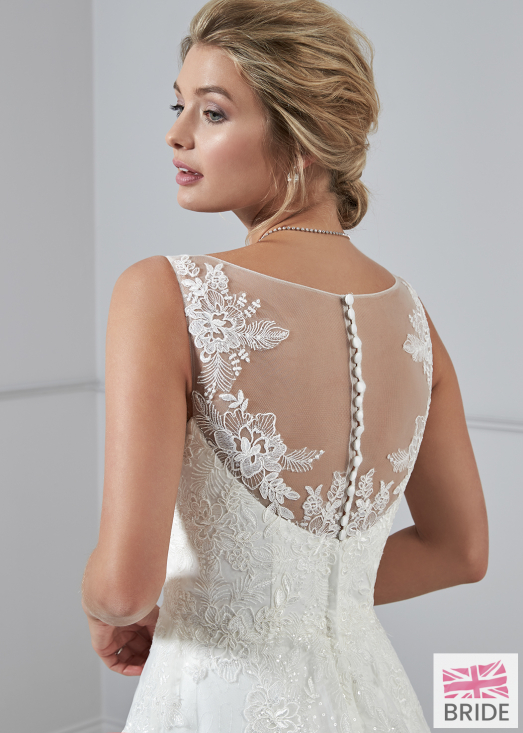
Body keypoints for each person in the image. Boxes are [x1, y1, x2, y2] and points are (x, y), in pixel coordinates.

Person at [81, 0, 489, 730]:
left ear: (302, 139)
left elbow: (121, 589)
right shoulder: (414, 319)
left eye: (212, 113)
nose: (175, 134)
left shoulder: (162, 293)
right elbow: (459, 552)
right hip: (373, 702)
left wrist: (110, 607)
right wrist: (308, 603)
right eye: (179, 105)